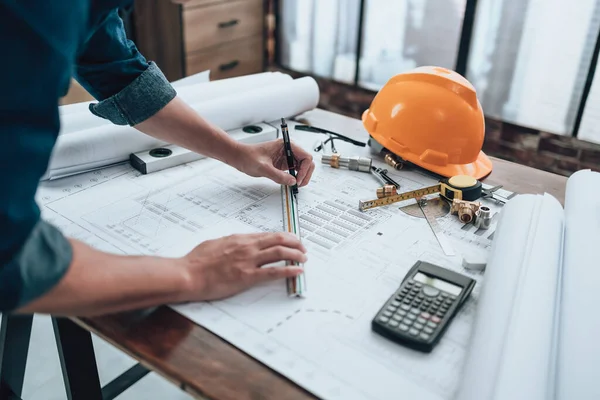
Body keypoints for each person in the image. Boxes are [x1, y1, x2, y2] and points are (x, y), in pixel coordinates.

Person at [0, 1, 314, 316]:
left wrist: (239, 153)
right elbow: (12, 256)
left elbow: (123, 77)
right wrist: (193, 273)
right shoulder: (36, 14)